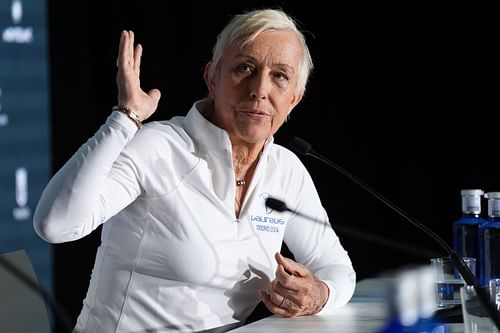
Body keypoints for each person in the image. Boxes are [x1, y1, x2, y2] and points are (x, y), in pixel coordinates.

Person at [34, 8, 356, 333]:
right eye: (245, 68)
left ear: (294, 100)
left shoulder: (286, 171)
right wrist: (124, 119)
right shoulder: (159, 147)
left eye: (280, 76)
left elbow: (336, 267)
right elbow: (56, 226)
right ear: (212, 79)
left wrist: (320, 294)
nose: (259, 89)